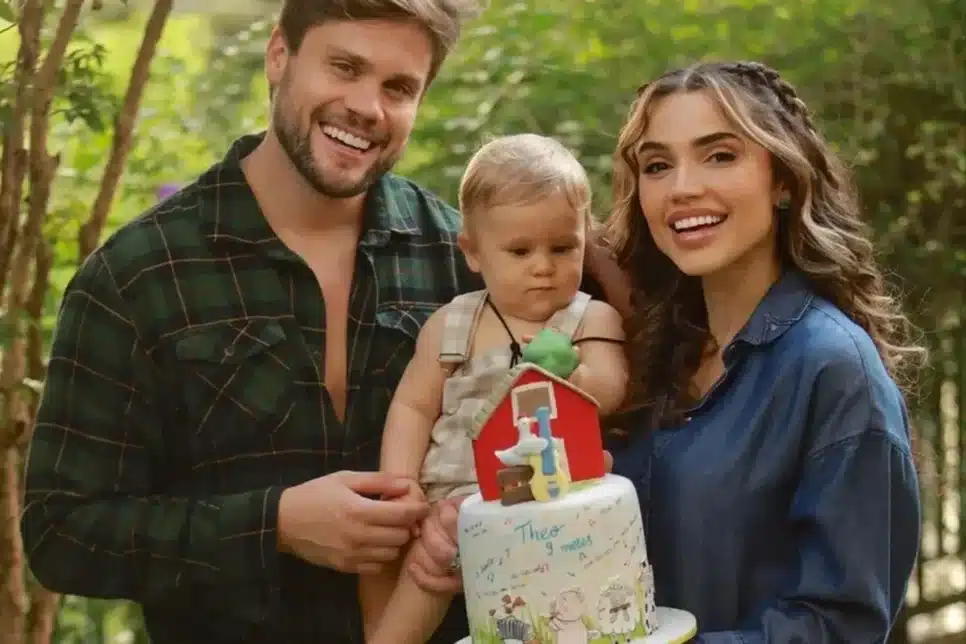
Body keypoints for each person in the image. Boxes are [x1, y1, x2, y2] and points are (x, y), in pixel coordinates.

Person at [18, 2, 600, 642]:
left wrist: (486, 509)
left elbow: (565, 426)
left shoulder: (462, 257)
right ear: (279, 56)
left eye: (398, 87)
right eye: (344, 67)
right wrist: (275, 526)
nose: (367, 107)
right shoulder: (139, 276)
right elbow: (62, 534)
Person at [405, 60, 924, 643]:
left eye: (719, 155)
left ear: (783, 179)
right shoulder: (643, 350)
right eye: (657, 166)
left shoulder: (833, 367)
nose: (682, 188)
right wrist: (476, 535)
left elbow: (841, 626)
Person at [358, 133, 628, 643]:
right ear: (474, 252)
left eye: (563, 247)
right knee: (412, 570)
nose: (543, 266)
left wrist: (567, 373)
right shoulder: (453, 323)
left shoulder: (588, 318)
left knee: (546, 607)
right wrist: (400, 483)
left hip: (543, 497)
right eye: (520, 250)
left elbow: (610, 389)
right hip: (449, 500)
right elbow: (414, 406)